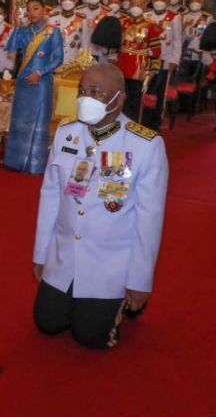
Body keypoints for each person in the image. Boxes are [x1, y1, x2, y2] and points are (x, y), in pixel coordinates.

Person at [32, 63, 168, 348]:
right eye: (82, 91)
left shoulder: (145, 145)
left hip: (109, 264)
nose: (86, 98)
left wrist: (139, 282)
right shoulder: (66, 133)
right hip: (65, 255)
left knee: (89, 336)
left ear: (119, 99)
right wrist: (41, 254)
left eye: (96, 92)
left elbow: (149, 221)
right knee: (47, 322)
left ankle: (121, 304)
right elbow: (50, 196)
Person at [4, 0, 63, 174]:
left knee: (37, 122)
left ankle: (34, 164)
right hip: (23, 82)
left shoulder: (52, 31)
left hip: (42, 83)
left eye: (35, 8)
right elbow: (10, 48)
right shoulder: (23, 31)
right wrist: (16, 25)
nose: (31, 12)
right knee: (20, 121)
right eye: (28, 9)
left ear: (44, 10)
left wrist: (40, 72)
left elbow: (59, 59)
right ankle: (16, 162)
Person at [117, 0, 162, 122]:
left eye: (139, 5)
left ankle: (133, 125)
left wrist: (153, 69)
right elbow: (115, 45)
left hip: (139, 68)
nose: (135, 7)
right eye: (133, 4)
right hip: (122, 65)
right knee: (121, 97)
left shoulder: (150, 25)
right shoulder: (122, 22)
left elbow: (157, 50)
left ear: (144, 7)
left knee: (135, 99)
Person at [144, 0, 183, 130]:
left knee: (160, 92)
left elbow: (177, 41)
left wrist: (175, 60)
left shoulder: (175, 17)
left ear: (167, 2)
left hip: (165, 60)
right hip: (148, 60)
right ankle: (144, 120)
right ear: (152, 0)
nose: (159, 2)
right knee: (146, 90)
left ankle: (156, 123)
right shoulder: (146, 15)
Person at [49, 0, 87, 65]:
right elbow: (48, 39)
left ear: (76, 1)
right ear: (60, 0)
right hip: (55, 61)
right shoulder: (52, 17)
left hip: (74, 61)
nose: (67, 1)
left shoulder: (83, 19)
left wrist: (83, 62)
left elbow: (85, 42)